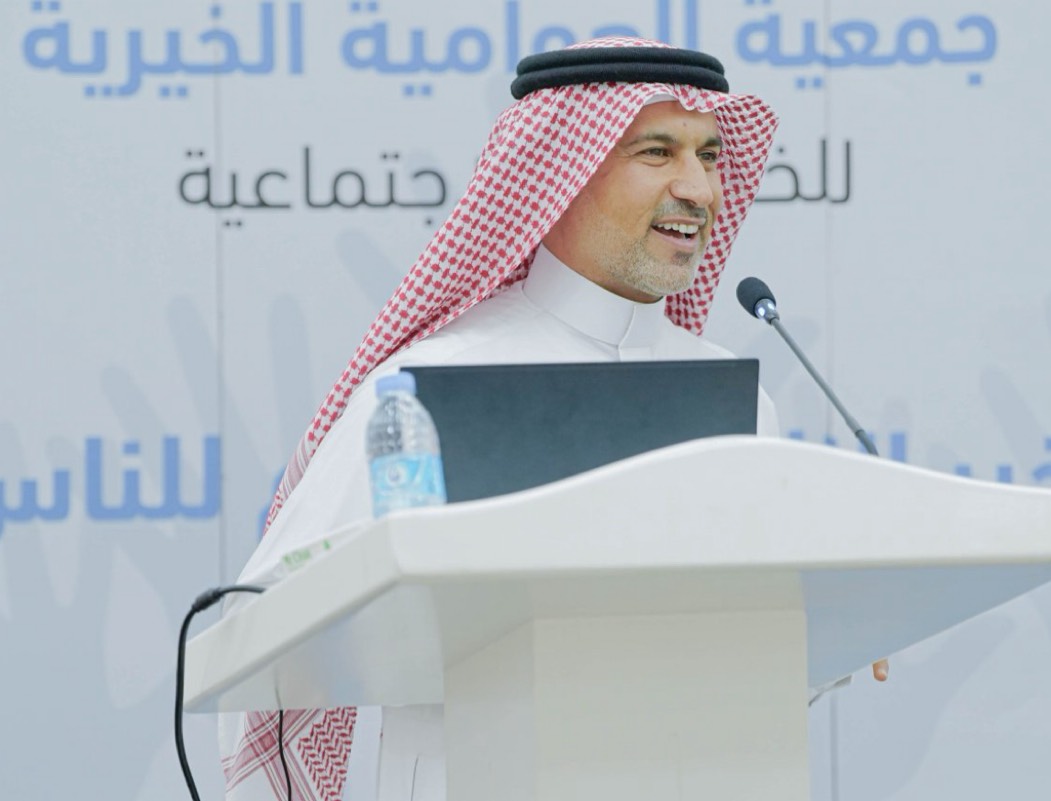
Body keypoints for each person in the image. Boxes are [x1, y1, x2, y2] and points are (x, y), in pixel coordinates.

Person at [220, 36, 881, 801]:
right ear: (561, 172)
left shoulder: (735, 397)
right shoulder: (423, 388)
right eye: (658, 152)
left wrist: (840, 629)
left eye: (709, 156)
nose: (699, 188)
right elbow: (266, 642)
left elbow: (750, 655)